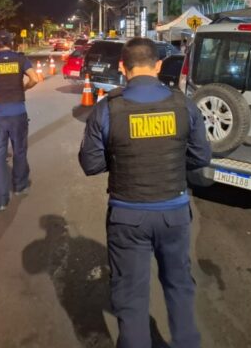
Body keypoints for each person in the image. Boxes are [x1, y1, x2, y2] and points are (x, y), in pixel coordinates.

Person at [78, 37, 212, 348]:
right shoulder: (183, 104)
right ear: (159, 65)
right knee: (180, 287)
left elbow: (90, 164)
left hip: (128, 216)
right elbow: (201, 156)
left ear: (122, 67)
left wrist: (121, 156)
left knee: (130, 297)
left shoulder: (107, 108)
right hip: (175, 214)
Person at [0, 30, 39, 211]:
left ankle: (0, 200)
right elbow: (35, 78)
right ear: (12, 43)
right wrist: (23, 88)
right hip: (18, 113)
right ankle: (20, 186)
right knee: (19, 150)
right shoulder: (20, 59)